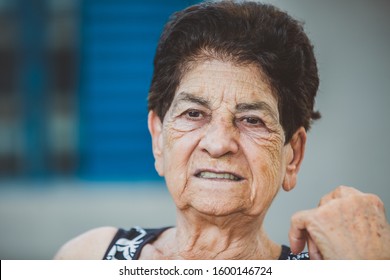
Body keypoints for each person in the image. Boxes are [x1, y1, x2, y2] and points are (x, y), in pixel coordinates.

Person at [54, 0, 390, 260]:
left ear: (293, 155)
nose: (218, 144)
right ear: (158, 138)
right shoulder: (91, 258)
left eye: (252, 120)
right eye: (194, 113)